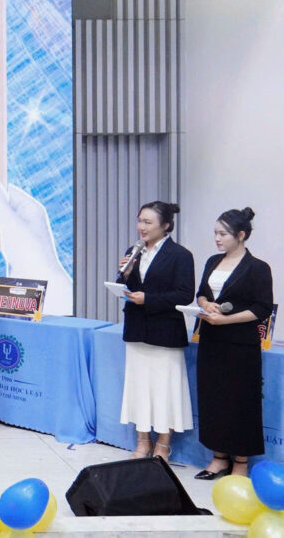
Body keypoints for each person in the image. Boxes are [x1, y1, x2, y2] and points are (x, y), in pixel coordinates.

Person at [193, 207, 273, 479]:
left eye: (223, 234)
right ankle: (218, 458)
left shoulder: (258, 267)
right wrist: (206, 304)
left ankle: (240, 462)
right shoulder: (212, 261)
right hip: (211, 342)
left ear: (240, 235)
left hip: (240, 345)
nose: (217, 238)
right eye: (215, 233)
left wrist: (226, 320)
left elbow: (262, 308)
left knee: (240, 402)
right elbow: (201, 294)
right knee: (213, 399)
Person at [116, 201, 195, 462]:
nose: (142, 227)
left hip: (165, 332)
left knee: (165, 390)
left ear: (166, 225)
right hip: (137, 329)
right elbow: (125, 285)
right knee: (139, 387)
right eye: (140, 220)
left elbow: (184, 294)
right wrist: (125, 275)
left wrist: (148, 299)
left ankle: (163, 443)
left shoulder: (181, 255)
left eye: (148, 222)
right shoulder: (134, 251)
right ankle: (142, 441)